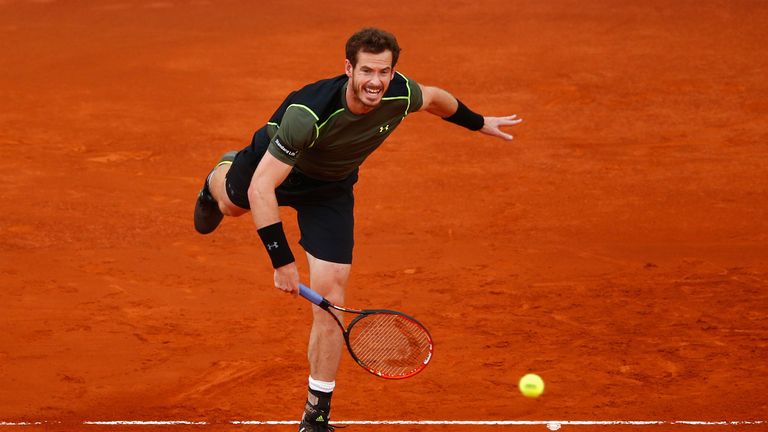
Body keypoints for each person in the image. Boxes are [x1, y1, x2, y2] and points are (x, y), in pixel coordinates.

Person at [193, 27, 522, 431]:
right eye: (367, 71)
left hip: (330, 189)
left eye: (384, 72)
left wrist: (478, 121)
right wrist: (282, 262)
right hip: (277, 168)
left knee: (330, 297)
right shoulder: (308, 113)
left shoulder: (400, 94)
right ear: (348, 68)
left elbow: (436, 98)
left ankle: (316, 416)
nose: (376, 82)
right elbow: (263, 188)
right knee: (232, 205)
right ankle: (216, 177)